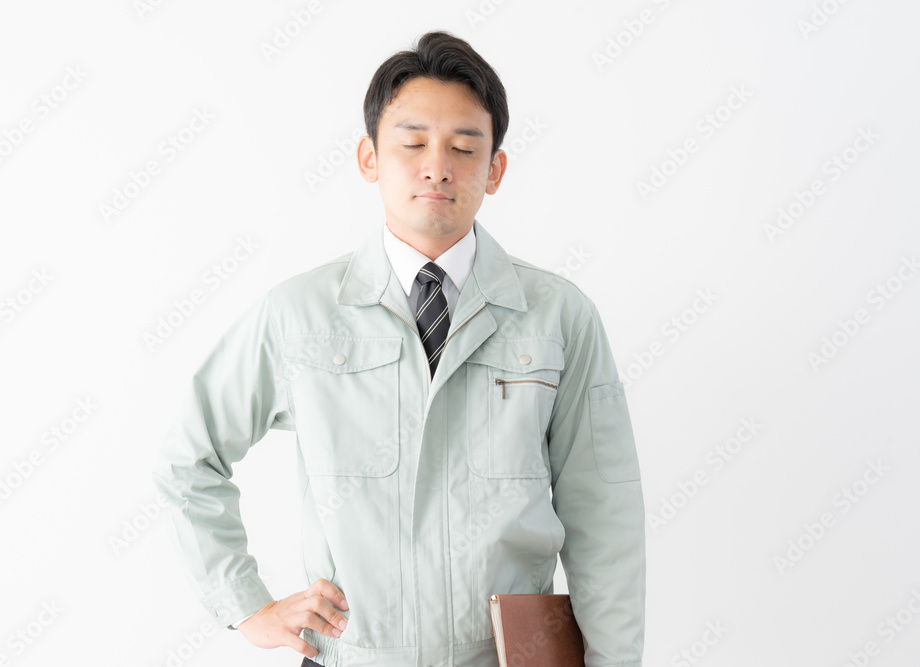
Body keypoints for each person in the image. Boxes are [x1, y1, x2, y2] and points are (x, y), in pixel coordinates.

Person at [152, 29, 645, 667]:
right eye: (412, 143)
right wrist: (246, 605)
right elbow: (187, 459)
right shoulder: (300, 314)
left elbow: (605, 517)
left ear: (495, 169)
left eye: (463, 147)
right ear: (369, 158)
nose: (437, 166)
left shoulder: (558, 316)